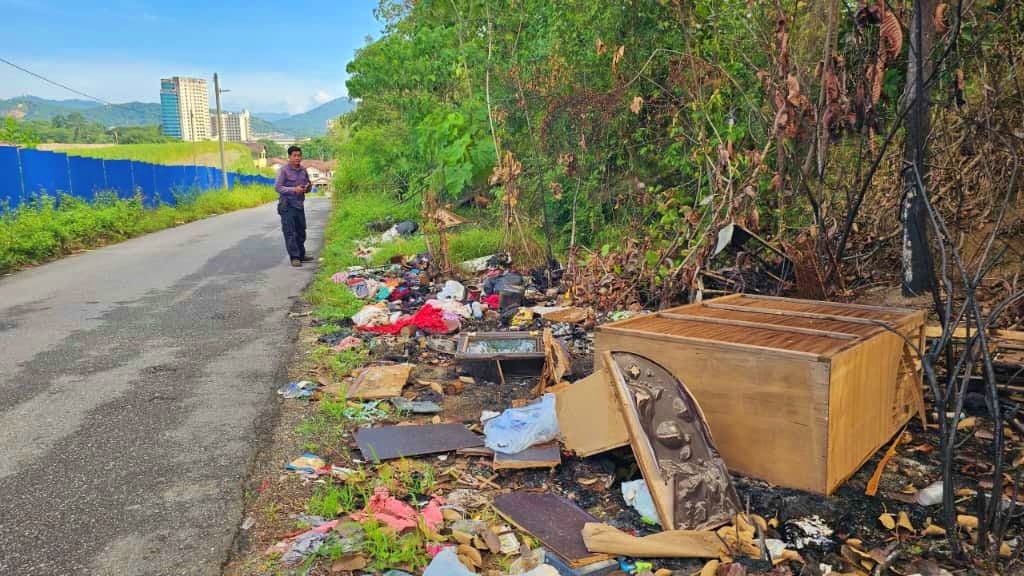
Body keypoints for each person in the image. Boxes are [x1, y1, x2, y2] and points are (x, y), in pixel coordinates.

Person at [275, 146, 313, 267]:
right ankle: (295, 257)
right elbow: (278, 187)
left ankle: (301, 254)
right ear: (289, 157)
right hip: (287, 205)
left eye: (299, 155)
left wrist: (308, 187)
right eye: (294, 155)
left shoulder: (303, 170)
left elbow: (308, 184)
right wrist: (293, 189)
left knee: (301, 231)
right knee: (290, 232)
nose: (297, 158)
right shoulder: (283, 170)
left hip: (299, 205)